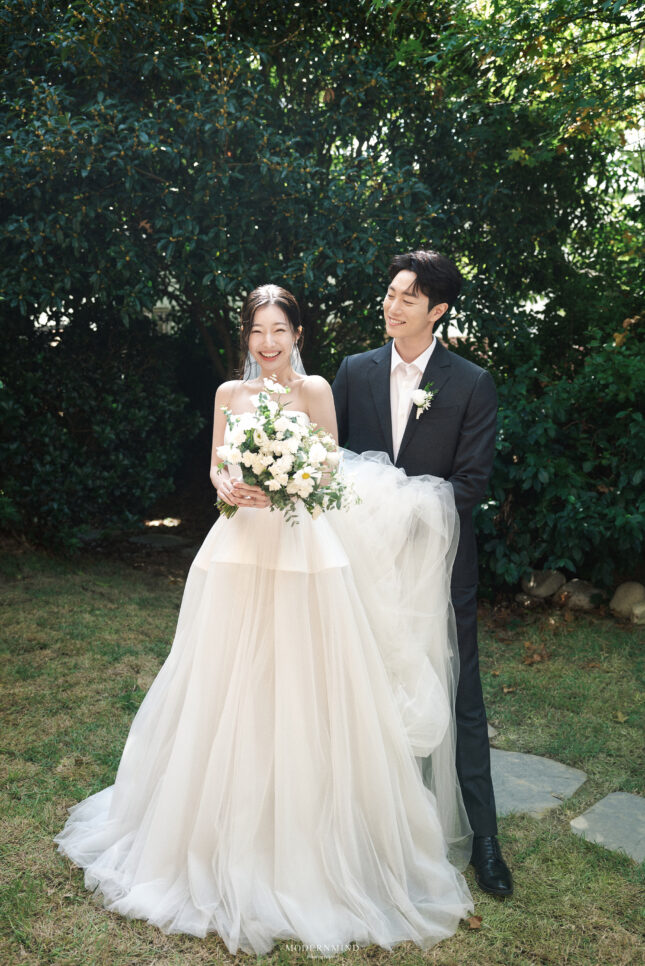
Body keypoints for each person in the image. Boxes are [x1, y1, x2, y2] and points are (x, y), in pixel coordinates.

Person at [55, 284, 474, 956]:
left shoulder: (315, 392)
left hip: (303, 549)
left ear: (297, 334)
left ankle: (309, 841)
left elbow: (331, 472)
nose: (268, 343)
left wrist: (292, 478)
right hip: (239, 547)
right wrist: (228, 483)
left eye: (279, 330)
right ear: (247, 335)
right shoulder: (230, 393)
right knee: (225, 679)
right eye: (257, 331)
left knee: (303, 682)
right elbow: (217, 467)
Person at [332, 251, 513, 898]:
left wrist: (401, 513)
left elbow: (470, 484)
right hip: (362, 562)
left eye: (408, 297)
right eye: (390, 293)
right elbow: (332, 461)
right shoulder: (353, 371)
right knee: (358, 686)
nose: (392, 305)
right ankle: (361, 827)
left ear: (437, 310)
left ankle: (484, 839)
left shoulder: (471, 383)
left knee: (461, 694)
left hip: (438, 565)